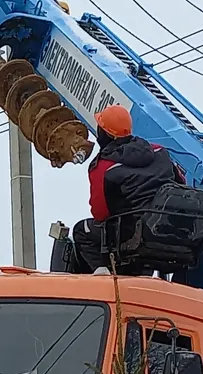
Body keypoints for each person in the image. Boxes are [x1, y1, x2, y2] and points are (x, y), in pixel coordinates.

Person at [67, 105, 185, 274]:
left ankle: (104, 275)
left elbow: (100, 213)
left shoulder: (103, 167)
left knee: (82, 230)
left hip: (130, 234)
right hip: (164, 229)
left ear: (106, 133)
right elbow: (181, 182)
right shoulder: (159, 151)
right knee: (138, 240)